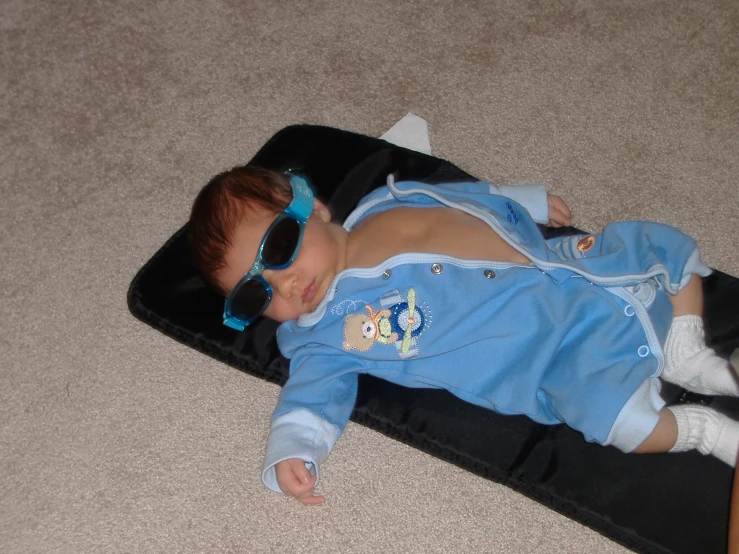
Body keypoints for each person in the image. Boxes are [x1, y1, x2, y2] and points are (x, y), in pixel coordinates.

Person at [188, 164, 739, 505]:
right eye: (256, 294)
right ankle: (704, 430)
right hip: (558, 353)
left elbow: (463, 196)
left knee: (665, 249)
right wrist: (294, 449)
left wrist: (523, 201)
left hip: (566, 268)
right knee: (621, 423)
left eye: (280, 249)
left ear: (317, 207)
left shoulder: (389, 199)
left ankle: (685, 351)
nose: (286, 283)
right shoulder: (321, 337)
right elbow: (309, 398)